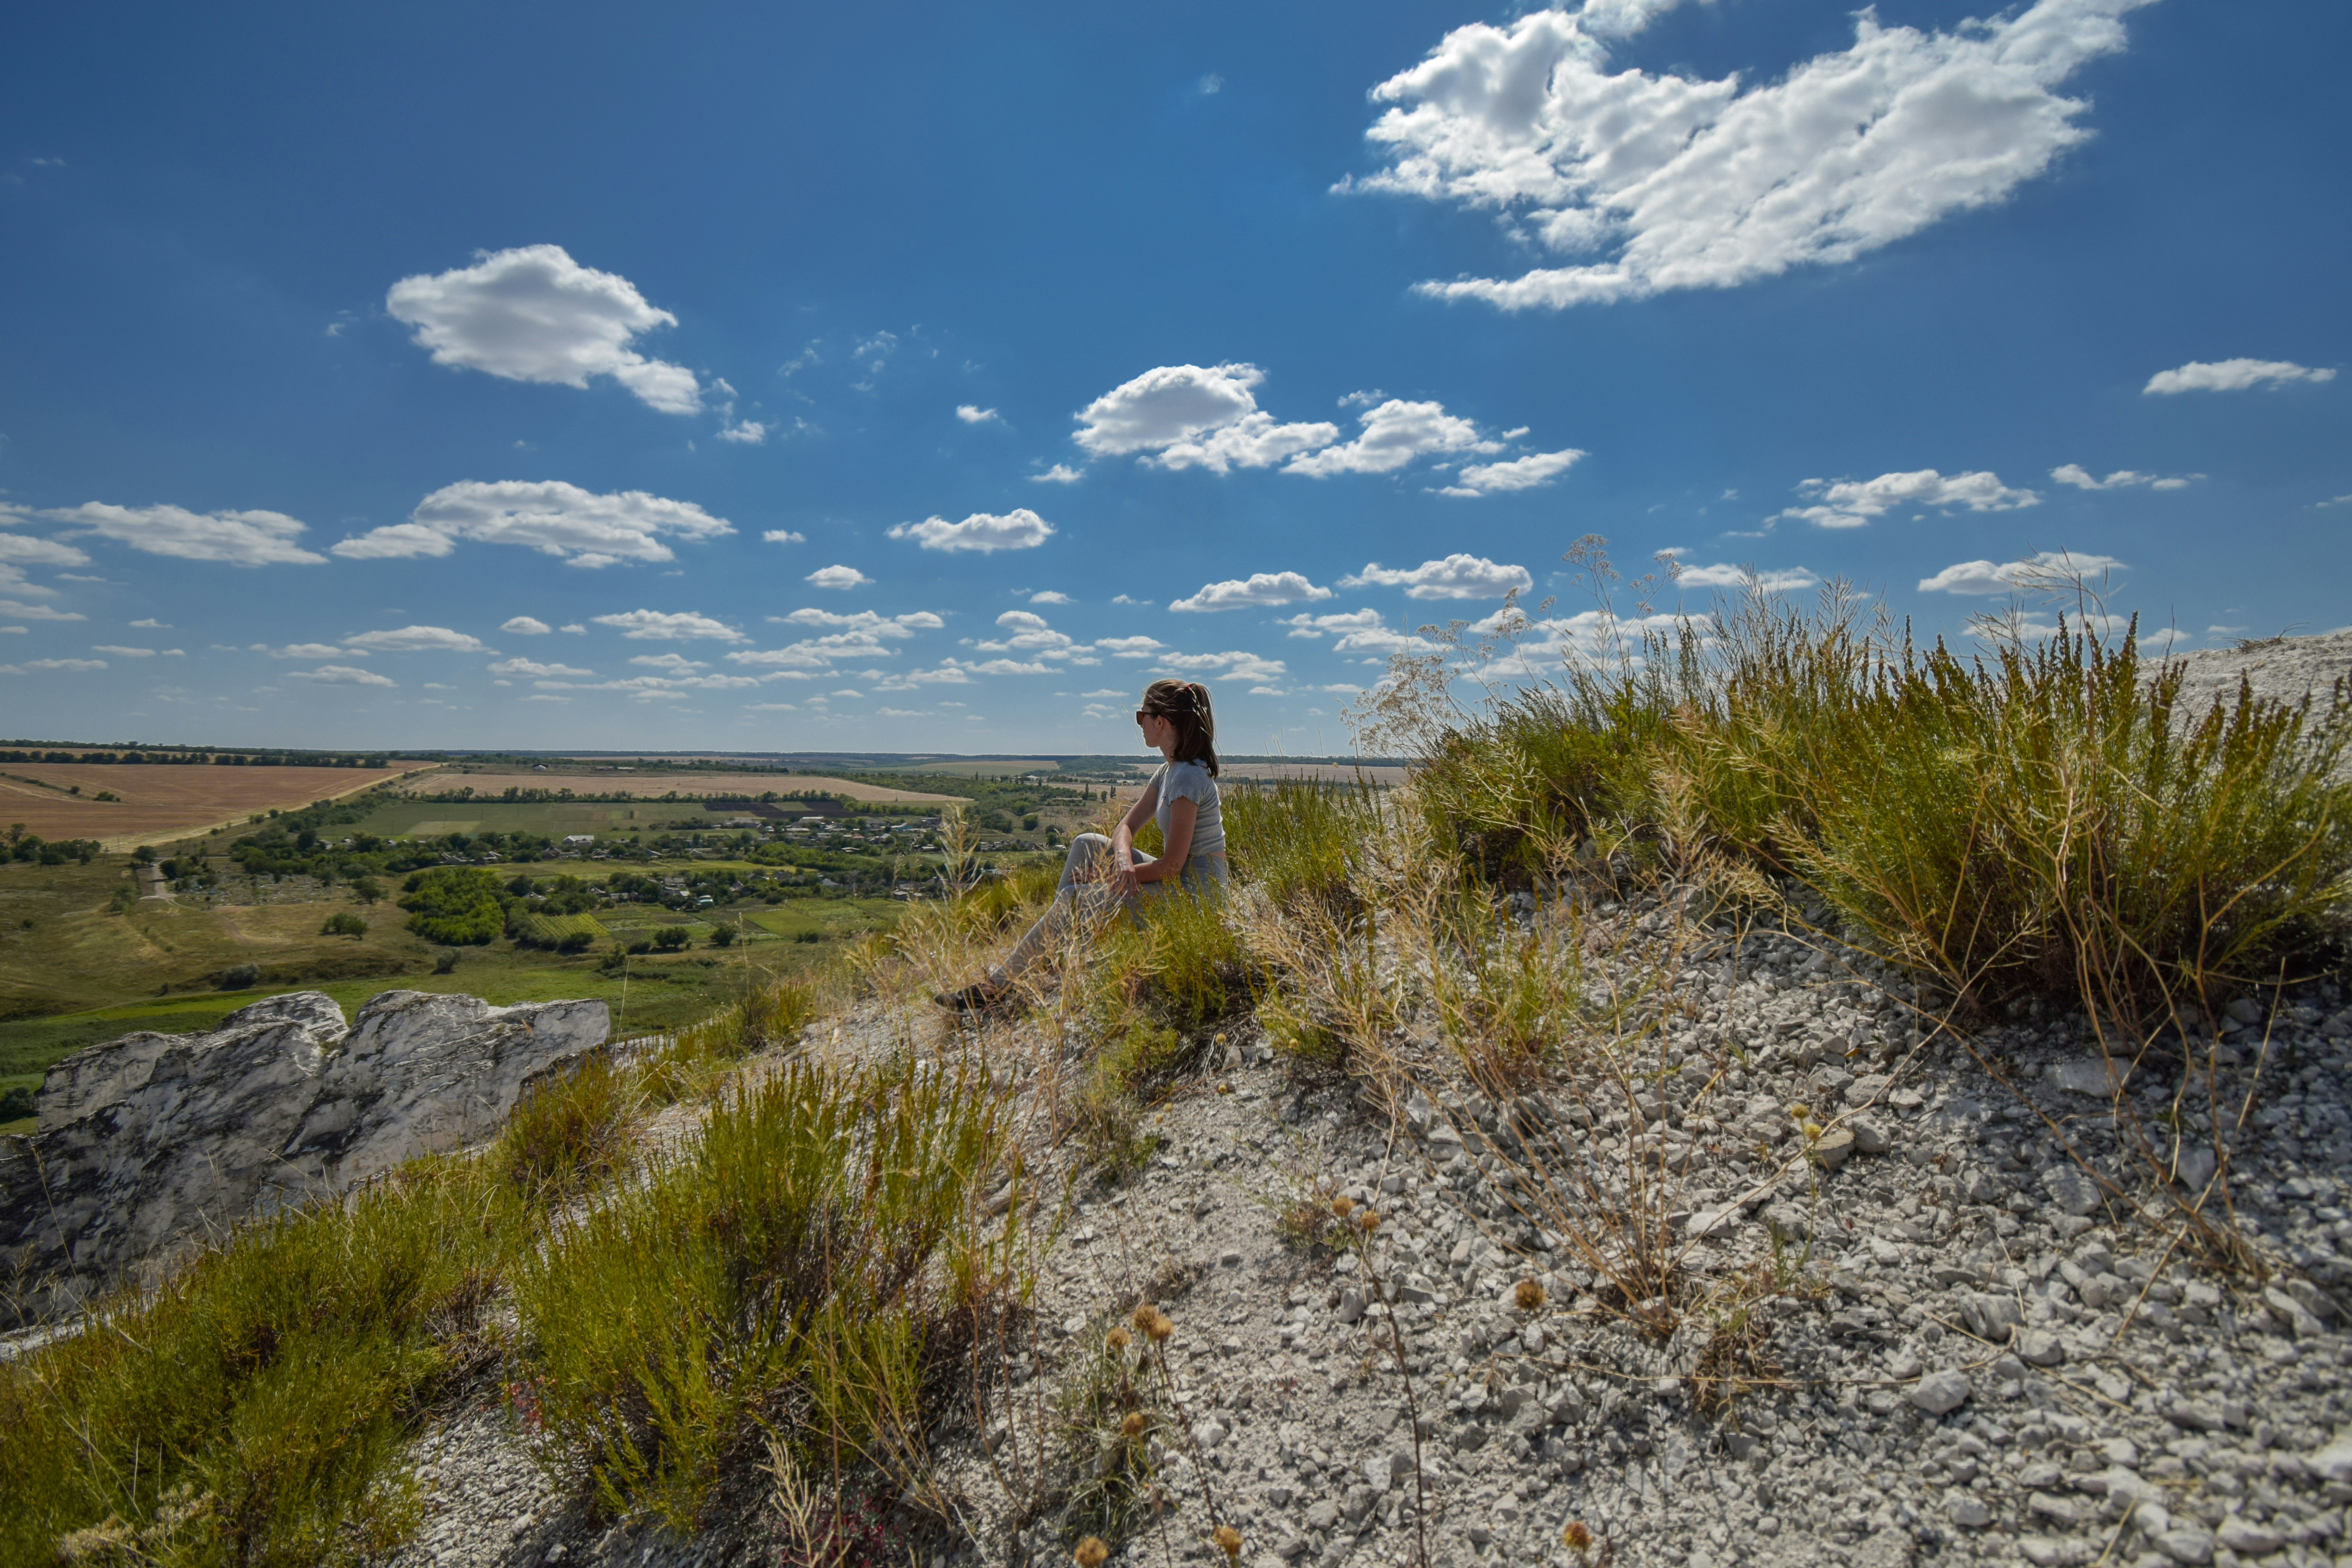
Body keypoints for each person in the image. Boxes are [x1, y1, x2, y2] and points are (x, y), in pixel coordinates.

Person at [937, 678, 1227, 1011]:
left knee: (1076, 898)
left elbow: (1173, 866)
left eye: (1140, 716)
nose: (1140, 724)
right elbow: (1125, 828)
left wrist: (1108, 880)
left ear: (1160, 721)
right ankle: (1052, 953)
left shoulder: (1188, 776)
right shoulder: (1168, 772)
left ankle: (996, 989)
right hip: (1179, 881)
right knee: (1086, 843)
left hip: (1197, 900)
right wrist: (1120, 861)